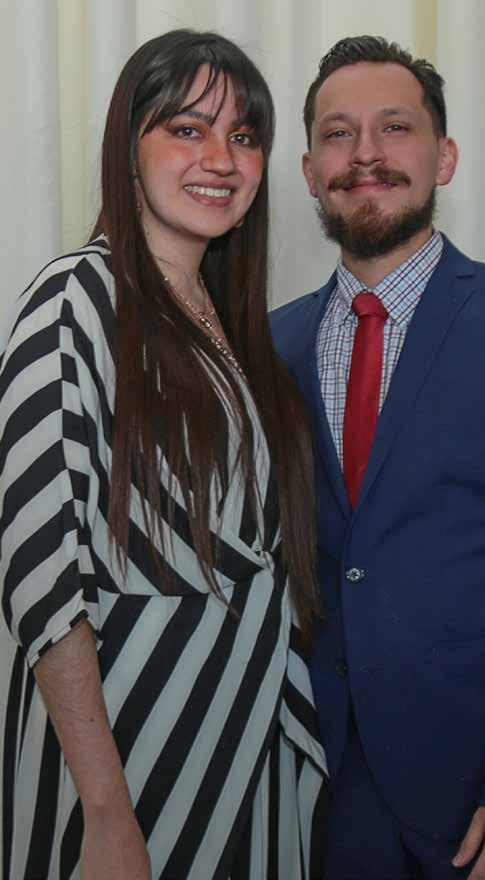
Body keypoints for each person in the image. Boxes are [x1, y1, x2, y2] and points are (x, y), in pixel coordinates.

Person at [0, 29, 328, 880]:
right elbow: (41, 572)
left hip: (243, 741)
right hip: (126, 756)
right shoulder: (76, 297)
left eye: (244, 135)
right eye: (187, 128)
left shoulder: (238, 334)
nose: (221, 158)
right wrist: (106, 811)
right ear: (128, 147)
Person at [271, 35, 485, 880]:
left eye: (395, 127)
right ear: (309, 171)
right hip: (324, 800)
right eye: (338, 134)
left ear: (443, 157)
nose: (365, 154)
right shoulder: (268, 345)